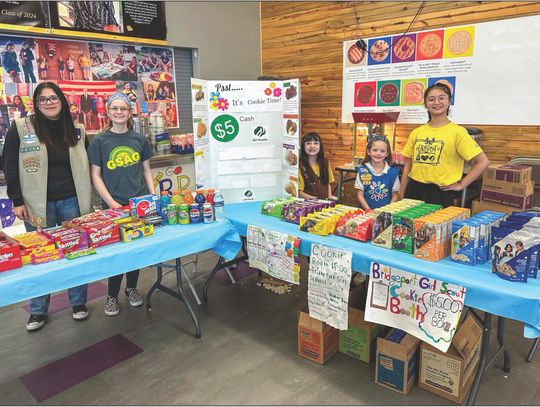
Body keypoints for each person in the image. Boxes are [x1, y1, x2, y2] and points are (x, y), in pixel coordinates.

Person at [2, 82, 92, 331]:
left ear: (61, 101)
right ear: (36, 103)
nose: (49, 103)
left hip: (73, 202)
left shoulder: (77, 130)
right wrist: (16, 200)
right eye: (43, 99)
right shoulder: (21, 128)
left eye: (53, 98)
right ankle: (38, 310)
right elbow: (10, 165)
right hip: (36, 205)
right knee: (39, 257)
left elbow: (90, 166)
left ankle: (78, 303)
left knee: (76, 252)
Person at [88, 93, 154, 316]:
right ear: (107, 112)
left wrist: (152, 197)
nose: (119, 112)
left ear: (129, 112)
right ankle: (112, 296)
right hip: (113, 206)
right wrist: (112, 203)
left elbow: (146, 170)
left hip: (139, 203)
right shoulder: (99, 141)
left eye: (123, 108)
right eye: (114, 108)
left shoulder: (139, 139)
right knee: (116, 253)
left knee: (134, 249)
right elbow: (95, 176)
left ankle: (132, 289)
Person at [400, 83, 490, 207]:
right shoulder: (417, 132)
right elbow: (407, 168)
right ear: (425, 104)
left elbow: (483, 162)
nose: (436, 102)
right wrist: (401, 196)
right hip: (413, 190)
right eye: (431, 99)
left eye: (441, 98)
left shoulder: (458, 132)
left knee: (435, 227)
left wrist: (461, 184)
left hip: (441, 193)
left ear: (449, 102)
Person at [355, 134, 400, 210]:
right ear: (369, 151)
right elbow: (360, 194)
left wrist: (386, 211)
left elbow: (395, 195)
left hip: (385, 214)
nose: (378, 153)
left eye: (382, 151)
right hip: (366, 213)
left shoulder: (393, 173)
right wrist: (368, 210)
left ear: (387, 153)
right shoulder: (363, 171)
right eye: (375, 150)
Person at [298, 132, 336, 200]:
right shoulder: (299, 166)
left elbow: (328, 184)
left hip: (324, 205)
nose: (312, 146)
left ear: (320, 146)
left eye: (316, 143)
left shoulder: (325, 163)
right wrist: (318, 201)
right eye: (308, 143)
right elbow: (299, 193)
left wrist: (330, 198)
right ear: (303, 146)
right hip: (308, 205)